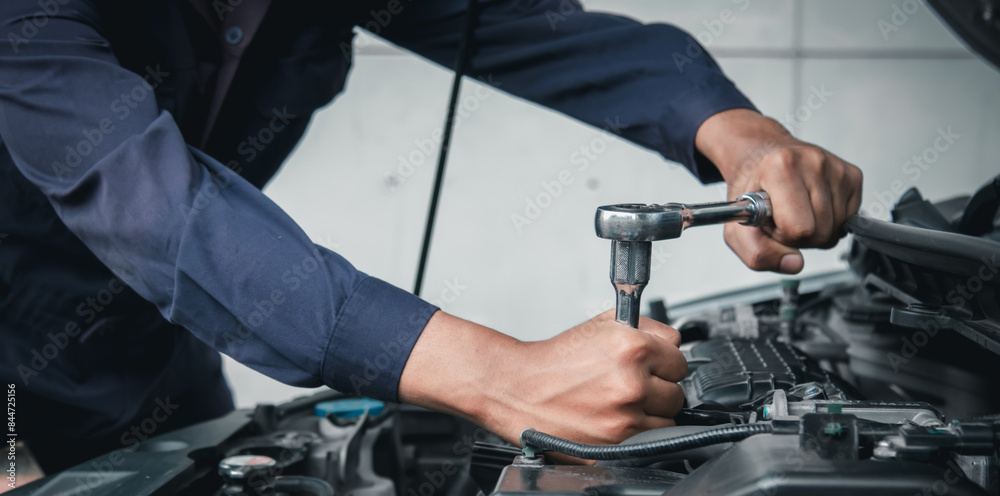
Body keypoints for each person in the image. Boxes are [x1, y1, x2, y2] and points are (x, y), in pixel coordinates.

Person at [0, 0, 862, 474]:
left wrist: (739, 132)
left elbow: (545, 33)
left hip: (143, 341)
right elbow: (150, 203)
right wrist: (497, 374)